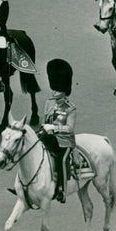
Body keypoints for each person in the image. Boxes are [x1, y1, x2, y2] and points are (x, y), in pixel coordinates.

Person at [39, 58, 76, 203]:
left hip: (64, 141)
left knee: (61, 160)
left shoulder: (70, 108)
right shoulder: (48, 103)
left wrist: (54, 128)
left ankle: (61, 189)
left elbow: (69, 128)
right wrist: (42, 130)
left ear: (64, 90)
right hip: (48, 137)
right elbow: (44, 121)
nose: (54, 91)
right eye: (53, 88)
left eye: (57, 89)